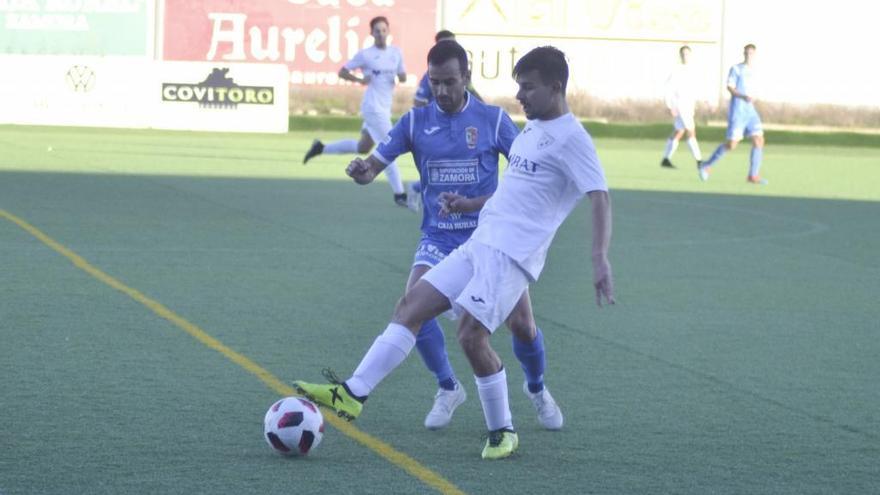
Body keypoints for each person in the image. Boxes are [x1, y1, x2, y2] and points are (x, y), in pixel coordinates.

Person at [295, 46, 614, 460]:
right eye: (519, 87)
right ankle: (353, 393)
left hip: (510, 255)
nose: (520, 96)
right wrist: (469, 205)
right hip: (479, 240)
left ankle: (503, 430)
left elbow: (600, 197)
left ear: (556, 87)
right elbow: (515, 191)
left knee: (472, 335)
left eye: (528, 88)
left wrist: (599, 258)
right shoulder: (532, 129)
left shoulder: (573, 139)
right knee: (411, 306)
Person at [302, 16, 409, 206]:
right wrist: (359, 81)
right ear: (372, 33)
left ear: (388, 31)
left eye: (384, 30)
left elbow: (403, 76)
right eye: (377, 30)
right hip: (373, 108)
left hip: (384, 107)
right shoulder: (366, 54)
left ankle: (321, 148)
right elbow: (342, 71)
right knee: (389, 149)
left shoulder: (396, 52)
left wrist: (399, 76)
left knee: (363, 147)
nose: (381, 33)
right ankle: (400, 194)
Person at [408, 30, 484, 213]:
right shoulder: (429, 77)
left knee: (460, 167)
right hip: (439, 126)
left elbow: (473, 94)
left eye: (452, 43)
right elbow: (418, 102)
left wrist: (482, 110)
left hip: (463, 121)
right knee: (449, 167)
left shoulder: (461, 71)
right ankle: (418, 189)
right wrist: (426, 126)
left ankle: (420, 188)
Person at [698, 44, 767, 184]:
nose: (749, 55)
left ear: (755, 54)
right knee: (731, 145)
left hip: (751, 111)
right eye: (747, 53)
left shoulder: (756, 71)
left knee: (759, 140)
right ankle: (706, 165)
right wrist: (742, 96)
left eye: (751, 53)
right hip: (738, 111)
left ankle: (753, 175)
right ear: (744, 53)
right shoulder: (736, 69)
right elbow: (730, 87)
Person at [660, 45, 703, 169]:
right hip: (680, 106)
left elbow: (694, 90)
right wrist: (670, 106)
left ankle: (665, 159)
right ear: (680, 55)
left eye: (687, 54)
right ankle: (699, 161)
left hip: (689, 106)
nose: (685, 56)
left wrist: (696, 104)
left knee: (679, 132)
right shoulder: (677, 70)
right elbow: (668, 89)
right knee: (691, 131)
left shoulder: (693, 70)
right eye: (683, 54)